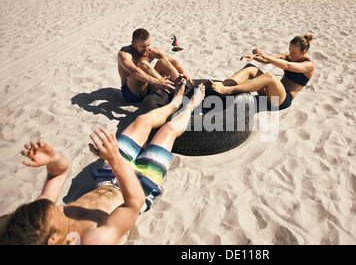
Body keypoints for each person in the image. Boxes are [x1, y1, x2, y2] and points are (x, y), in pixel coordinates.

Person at [0, 80, 205, 245]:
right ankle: (192, 104)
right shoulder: (92, 239)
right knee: (169, 129)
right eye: (57, 212)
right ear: (53, 240)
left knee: (142, 121)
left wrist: (53, 159)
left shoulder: (39, 217)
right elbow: (134, 203)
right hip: (141, 185)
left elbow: (57, 174)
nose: (59, 207)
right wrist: (114, 159)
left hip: (107, 178)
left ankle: (174, 103)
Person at [208, 34, 315, 111]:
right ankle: (222, 85)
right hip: (271, 94)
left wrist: (265, 55)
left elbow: (288, 65)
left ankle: (228, 90)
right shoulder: (289, 55)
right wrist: (255, 57)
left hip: (281, 101)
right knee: (251, 68)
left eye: (294, 53)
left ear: (304, 52)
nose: (290, 55)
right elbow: (268, 60)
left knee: (270, 76)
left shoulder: (308, 66)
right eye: (290, 50)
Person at [118, 28, 192, 103]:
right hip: (132, 93)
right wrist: (156, 82)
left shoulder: (151, 50)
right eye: (143, 46)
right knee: (143, 64)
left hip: (149, 86)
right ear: (133, 43)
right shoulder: (125, 54)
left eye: (148, 45)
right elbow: (134, 71)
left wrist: (183, 72)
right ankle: (173, 90)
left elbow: (173, 61)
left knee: (163, 61)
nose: (146, 49)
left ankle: (183, 87)